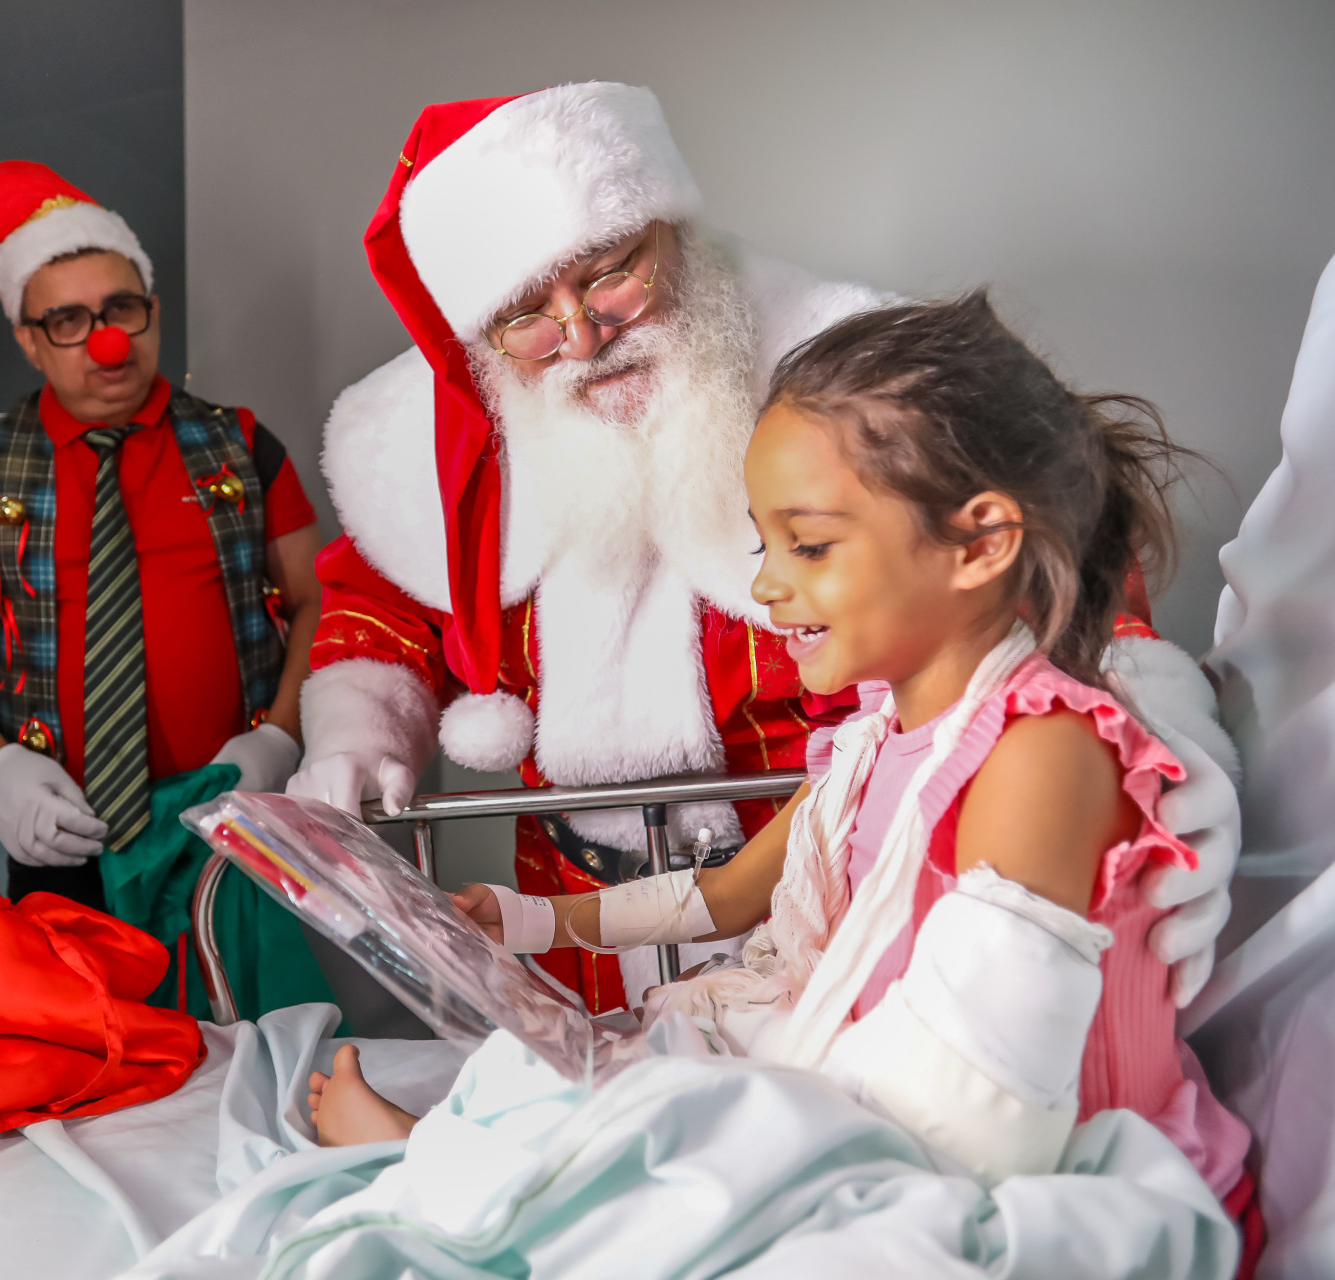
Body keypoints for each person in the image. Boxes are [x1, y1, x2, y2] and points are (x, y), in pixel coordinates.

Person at [308, 293, 1262, 1268]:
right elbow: (723, 892)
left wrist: (746, 1116)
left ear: (980, 541)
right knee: (592, 1083)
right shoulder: (880, 736)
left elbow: (979, 1120)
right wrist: (521, 923)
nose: (766, 587)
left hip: (1011, 1157)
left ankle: (467, 1177)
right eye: (765, 545)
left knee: (667, 1137)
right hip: (897, 1100)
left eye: (808, 545)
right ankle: (491, 1168)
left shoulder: (1041, 752)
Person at [288, 83, 1243, 1014]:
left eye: (610, 271)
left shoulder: (844, 374)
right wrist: (357, 731)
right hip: (584, 918)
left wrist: (1156, 736)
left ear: (672, 231)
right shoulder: (435, 444)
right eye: (525, 315)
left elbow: (1045, 540)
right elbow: (380, 604)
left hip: (835, 880)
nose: (582, 336)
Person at [0, 162, 326, 1001]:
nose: (108, 341)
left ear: (152, 310)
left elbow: (319, 600)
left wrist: (281, 735)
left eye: (123, 309)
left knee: (265, 1051)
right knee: (94, 1086)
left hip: (233, 826)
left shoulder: (241, 443)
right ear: (25, 338)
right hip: (62, 841)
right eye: (68, 320)